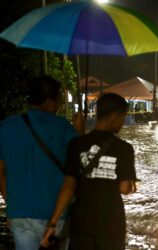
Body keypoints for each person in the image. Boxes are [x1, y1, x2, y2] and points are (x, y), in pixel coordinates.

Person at [41, 93, 139, 250]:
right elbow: (125, 188)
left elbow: (68, 187)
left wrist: (53, 224)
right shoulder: (124, 148)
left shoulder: (76, 144)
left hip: (81, 225)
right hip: (111, 226)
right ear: (114, 116)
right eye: (122, 117)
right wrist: (134, 186)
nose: (122, 122)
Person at [0, 75, 83, 250]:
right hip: (55, 215)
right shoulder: (63, 127)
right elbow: (80, 163)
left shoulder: (6, 127)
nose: (59, 104)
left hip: (20, 213)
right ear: (48, 101)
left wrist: (12, 205)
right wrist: (80, 133)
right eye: (58, 100)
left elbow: (0, 172)